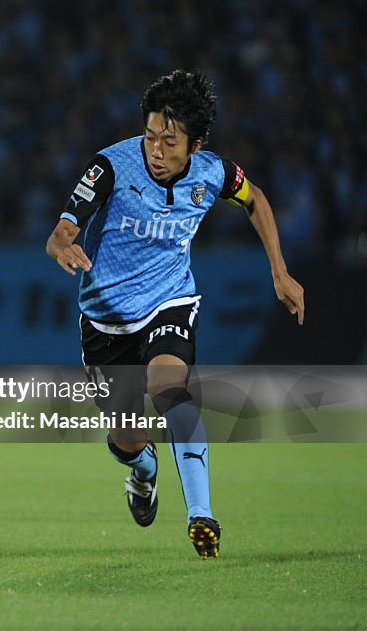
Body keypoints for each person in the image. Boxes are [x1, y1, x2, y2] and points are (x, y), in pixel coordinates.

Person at [45, 70, 304, 559]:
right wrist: (62, 245)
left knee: (170, 390)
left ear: (196, 143)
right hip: (104, 321)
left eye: (169, 140)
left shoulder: (214, 173)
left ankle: (201, 515)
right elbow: (62, 229)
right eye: (149, 136)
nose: (156, 151)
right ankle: (143, 470)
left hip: (170, 301)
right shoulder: (111, 167)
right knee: (125, 439)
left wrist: (279, 270)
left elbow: (256, 200)